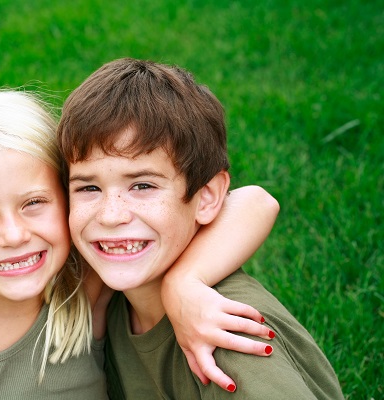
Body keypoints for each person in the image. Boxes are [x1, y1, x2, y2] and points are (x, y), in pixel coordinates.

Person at [0, 89, 276, 399]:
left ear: (70, 200)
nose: (13, 235)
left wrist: (183, 282)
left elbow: (254, 202)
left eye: (34, 203)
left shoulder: (80, 292)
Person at [57, 58, 345, 399]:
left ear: (206, 197)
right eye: (89, 188)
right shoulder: (112, 298)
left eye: (143, 186)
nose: (111, 215)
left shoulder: (228, 341)